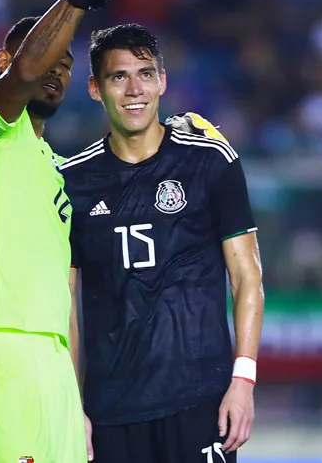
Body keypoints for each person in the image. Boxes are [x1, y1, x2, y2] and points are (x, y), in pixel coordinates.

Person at [0, 0, 147, 463]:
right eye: (46, 57)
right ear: (4, 62)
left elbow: (67, 288)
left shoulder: (55, 166)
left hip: (52, 360)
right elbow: (29, 71)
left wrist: (74, 398)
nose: (56, 69)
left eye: (67, 64)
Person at [61, 24, 265, 463]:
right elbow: (65, 307)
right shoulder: (70, 182)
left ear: (163, 81)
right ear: (96, 88)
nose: (135, 89)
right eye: (119, 77)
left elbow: (247, 276)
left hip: (200, 401)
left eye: (146, 73)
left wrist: (243, 382)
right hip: (112, 410)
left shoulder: (210, 159)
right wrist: (70, 406)